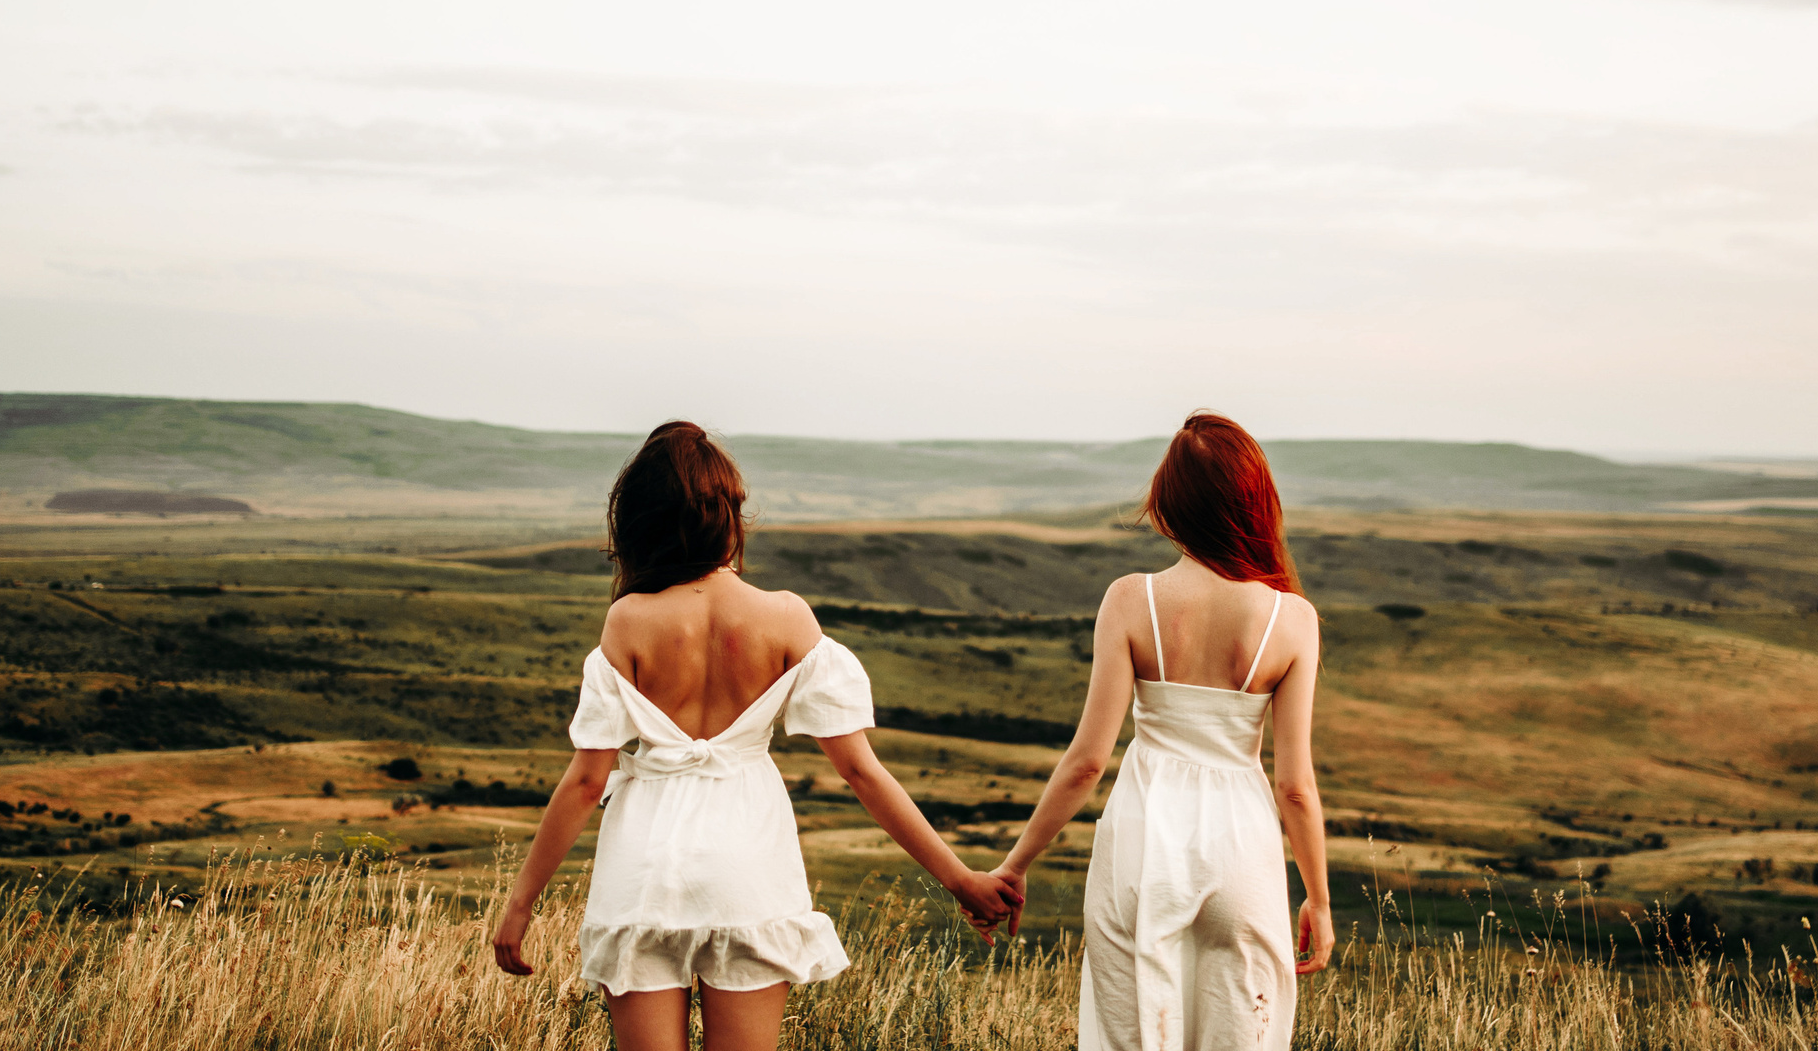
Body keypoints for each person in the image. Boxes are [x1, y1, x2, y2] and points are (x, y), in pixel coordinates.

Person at [491, 420, 1022, 1051]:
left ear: (637, 522)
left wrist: (521, 903)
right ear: (728, 517)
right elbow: (861, 773)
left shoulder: (627, 621)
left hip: (645, 868)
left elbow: (585, 782)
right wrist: (961, 878)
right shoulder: (787, 617)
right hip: (748, 862)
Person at [992, 412, 1333, 1051]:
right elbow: (1294, 786)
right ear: (1256, 500)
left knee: (1130, 1033)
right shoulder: (1294, 619)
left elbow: (1087, 762)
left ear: (1168, 502)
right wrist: (1318, 896)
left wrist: (1015, 865)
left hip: (1142, 844)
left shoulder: (1130, 599)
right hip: (1241, 849)